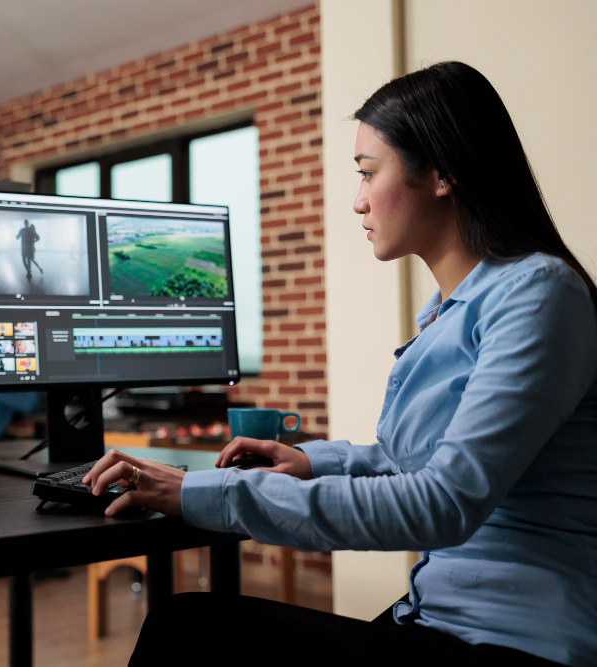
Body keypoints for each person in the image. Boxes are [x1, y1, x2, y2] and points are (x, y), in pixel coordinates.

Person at [83, 61, 596, 666]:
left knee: (186, 629)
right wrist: (311, 460)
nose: (357, 202)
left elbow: (443, 500)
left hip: (517, 643)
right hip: (439, 614)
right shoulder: (450, 308)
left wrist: (203, 491)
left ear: (443, 173)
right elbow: (432, 459)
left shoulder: (537, 294)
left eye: (367, 174)